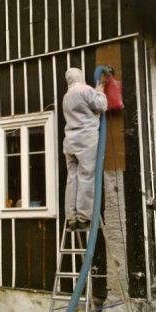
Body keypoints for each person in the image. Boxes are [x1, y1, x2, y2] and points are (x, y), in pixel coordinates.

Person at [62, 67, 107, 230]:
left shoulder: (66, 96)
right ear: (80, 76)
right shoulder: (85, 90)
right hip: (85, 139)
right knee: (86, 176)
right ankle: (83, 217)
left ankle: (71, 218)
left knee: (72, 178)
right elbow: (102, 106)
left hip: (70, 141)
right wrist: (100, 92)